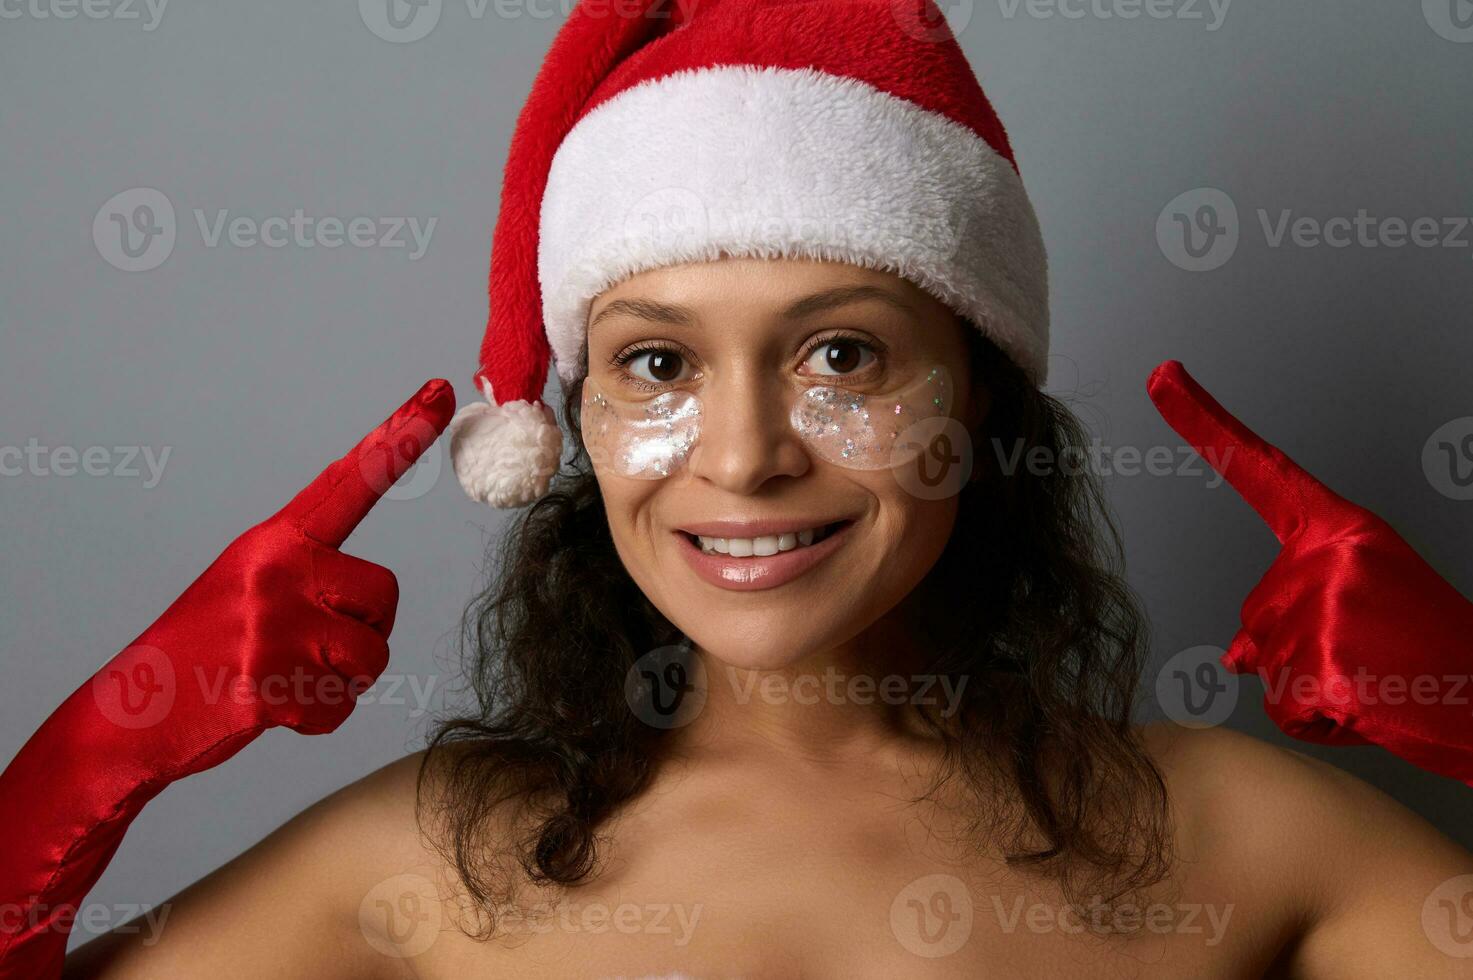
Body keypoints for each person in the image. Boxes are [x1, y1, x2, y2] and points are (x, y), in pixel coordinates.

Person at [4, 2, 1472, 977]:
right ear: (572, 421)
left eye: (841, 352)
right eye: (655, 366)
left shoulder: (1230, 830)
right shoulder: (429, 857)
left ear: (977, 395)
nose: (743, 452)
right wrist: (87, 764)